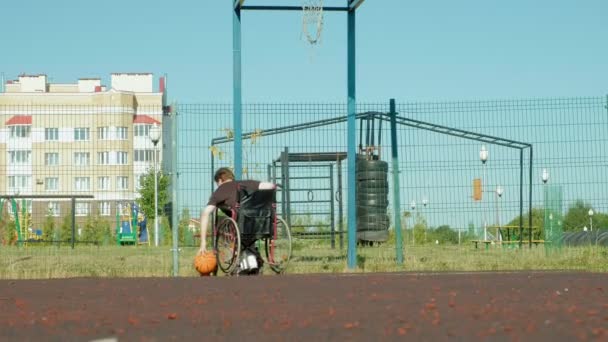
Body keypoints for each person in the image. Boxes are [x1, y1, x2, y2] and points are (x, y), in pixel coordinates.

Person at [198, 167, 275, 275]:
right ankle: (252, 258)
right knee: (245, 233)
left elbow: (206, 213)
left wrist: (203, 242)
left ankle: (244, 261)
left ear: (220, 180)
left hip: (240, 224)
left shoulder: (222, 189)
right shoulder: (248, 183)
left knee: (228, 223)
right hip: (262, 223)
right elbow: (270, 186)